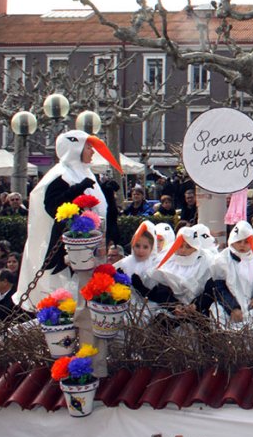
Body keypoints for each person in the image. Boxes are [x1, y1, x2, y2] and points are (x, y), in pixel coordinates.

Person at [17, 130, 122, 310]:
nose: (92, 152)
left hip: (93, 250)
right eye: (89, 147)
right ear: (75, 148)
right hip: (68, 253)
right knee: (66, 301)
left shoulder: (86, 173)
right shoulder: (61, 175)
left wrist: (108, 193)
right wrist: (77, 190)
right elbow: (53, 206)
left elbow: (97, 207)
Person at [139, 226, 215, 323]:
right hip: (171, 309)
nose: (183, 250)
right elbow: (162, 291)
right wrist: (175, 306)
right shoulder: (168, 263)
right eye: (180, 246)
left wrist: (195, 306)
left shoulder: (206, 263)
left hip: (198, 311)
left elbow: (210, 291)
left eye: (188, 247)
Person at [209, 220, 253, 328]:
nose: (242, 245)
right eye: (239, 241)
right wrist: (233, 307)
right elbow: (219, 289)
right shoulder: (222, 261)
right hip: (229, 307)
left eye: (246, 242)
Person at [116, 222, 159, 323]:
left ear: (151, 248)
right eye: (137, 246)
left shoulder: (154, 265)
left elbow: (155, 294)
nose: (140, 250)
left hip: (147, 305)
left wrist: (140, 286)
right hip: (125, 303)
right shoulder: (125, 262)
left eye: (145, 247)